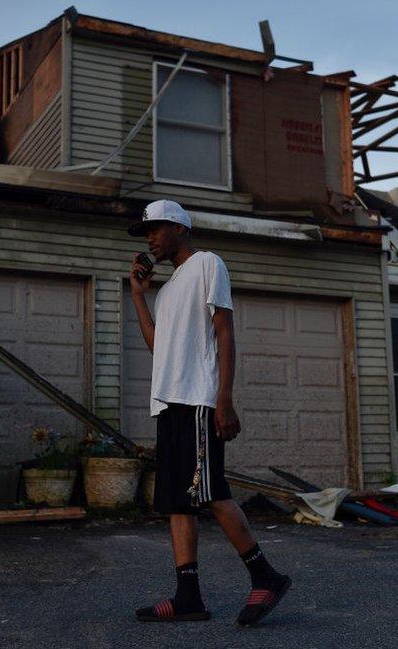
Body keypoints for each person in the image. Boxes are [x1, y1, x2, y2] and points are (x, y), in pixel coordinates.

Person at [128, 199, 291, 627]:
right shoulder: (166, 291)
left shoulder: (207, 264)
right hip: (168, 403)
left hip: (199, 400)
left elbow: (224, 330)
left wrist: (225, 398)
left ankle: (265, 577)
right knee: (177, 503)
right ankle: (188, 597)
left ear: (180, 228)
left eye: (157, 229)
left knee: (211, 492)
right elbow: (156, 345)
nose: (150, 239)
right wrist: (138, 297)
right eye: (147, 232)